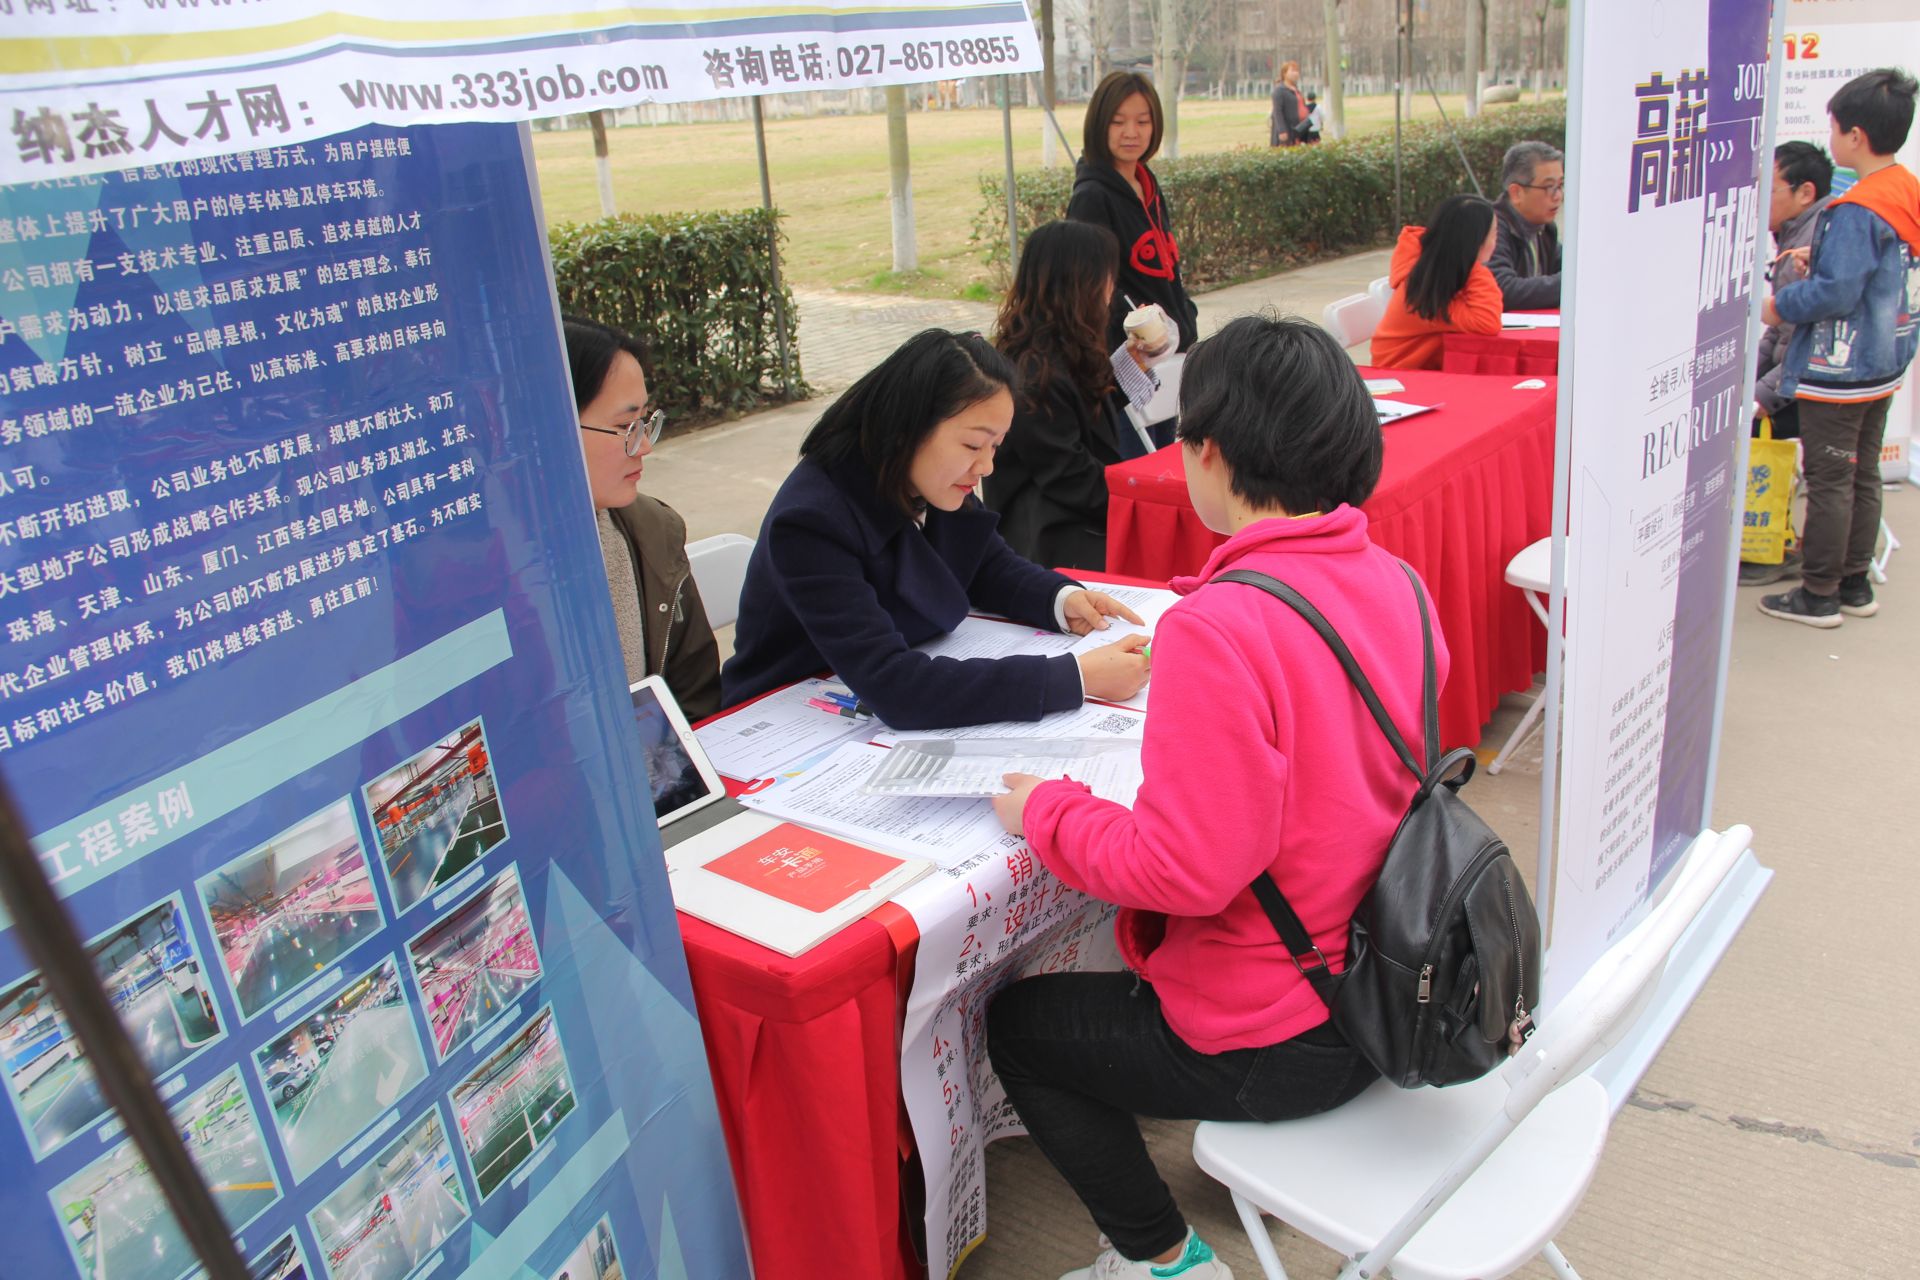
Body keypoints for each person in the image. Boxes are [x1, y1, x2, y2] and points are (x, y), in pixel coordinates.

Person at [986, 315, 1446, 1280]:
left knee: (1019, 1029)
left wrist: (1047, 809)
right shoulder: (1400, 580)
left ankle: (1162, 1258)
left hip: (1289, 1032)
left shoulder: (1220, 627)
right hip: (1396, 990)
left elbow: (1185, 871)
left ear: (1212, 453)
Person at [720, 329, 1151, 728]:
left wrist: (1062, 599)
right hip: (786, 719)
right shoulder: (813, 520)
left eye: (996, 446)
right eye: (971, 445)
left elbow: (986, 565)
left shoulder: (924, 478)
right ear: (909, 428)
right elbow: (895, 686)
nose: (986, 467)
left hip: (867, 701)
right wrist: (1074, 677)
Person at [1760, 68, 1919, 627]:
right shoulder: (1905, 188)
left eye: (1832, 127)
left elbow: (1838, 292)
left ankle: (1818, 592)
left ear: (1854, 135)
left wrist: (1782, 304)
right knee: (1862, 472)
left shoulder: (1857, 206)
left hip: (1841, 365)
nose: (1830, 138)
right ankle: (1853, 584)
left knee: (1829, 478)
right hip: (1885, 360)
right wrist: (1820, 261)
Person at [564, 316, 721, 719]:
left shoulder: (655, 532)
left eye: (646, 422)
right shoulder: (486, 578)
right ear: (548, 427)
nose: (644, 447)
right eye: (625, 426)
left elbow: (695, 701)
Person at [987, 220, 1137, 570]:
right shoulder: (1034, 371)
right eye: (1107, 276)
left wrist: (1134, 366)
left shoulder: (1063, 347)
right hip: (1050, 541)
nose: (1112, 289)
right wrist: (1137, 513)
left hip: (1073, 521)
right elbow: (1069, 475)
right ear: (1081, 283)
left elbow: (1089, 418)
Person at [1740, 140, 1833, 588]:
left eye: (1769, 188)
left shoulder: (1814, 245)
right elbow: (1778, 332)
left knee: (1765, 440)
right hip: (1789, 374)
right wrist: (1745, 379)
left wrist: (1759, 396)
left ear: (1805, 192)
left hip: (1809, 383)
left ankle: (1772, 547)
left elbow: (1806, 340)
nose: (1760, 200)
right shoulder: (1793, 238)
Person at [1069, 71, 1201, 356]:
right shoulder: (1091, 196)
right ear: (1099, 124)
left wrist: (1186, 314)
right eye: (1118, 122)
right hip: (1133, 358)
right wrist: (1139, 329)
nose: (1131, 132)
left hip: (1174, 348)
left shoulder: (1146, 183)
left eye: (1143, 121)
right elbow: (1090, 290)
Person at [1368, 193, 1503, 370]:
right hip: (1399, 377)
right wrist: (1473, 264)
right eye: (1494, 234)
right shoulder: (1422, 289)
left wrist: (1467, 258)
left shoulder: (1436, 269)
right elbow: (1487, 321)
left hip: (1422, 371)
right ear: (1476, 242)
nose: (1496, 242)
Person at [1487, 140, 1564, 310]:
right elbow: (1503, 289)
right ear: (1516, 193)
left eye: (1560, 185)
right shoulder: (1491, 229)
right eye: (1549, 187)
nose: (1558, 196)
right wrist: (1574, 282)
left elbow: (1572, 266)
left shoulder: (1545, 229)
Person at [1269, 61, 1309, 148]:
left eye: (1297, 71)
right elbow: (1277, 112)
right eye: (1292, 71)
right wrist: (1282, 130)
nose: (1296, 73)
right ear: (1284, 73)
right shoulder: (1280, 90)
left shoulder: (1296, 90)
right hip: (1287, 131)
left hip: (1299, 130)